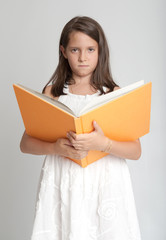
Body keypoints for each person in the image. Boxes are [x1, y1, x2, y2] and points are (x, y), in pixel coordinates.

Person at [20, 16, 142, 240]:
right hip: (63, 180)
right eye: (75, 50)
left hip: (104, 182)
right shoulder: (52, 93)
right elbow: (25, 143)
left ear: (100, 51)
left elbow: (136, 151)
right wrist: (56, 148)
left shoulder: (113, 94)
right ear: (64, 51)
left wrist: (103, 143)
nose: (83, 57)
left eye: (90, 49)